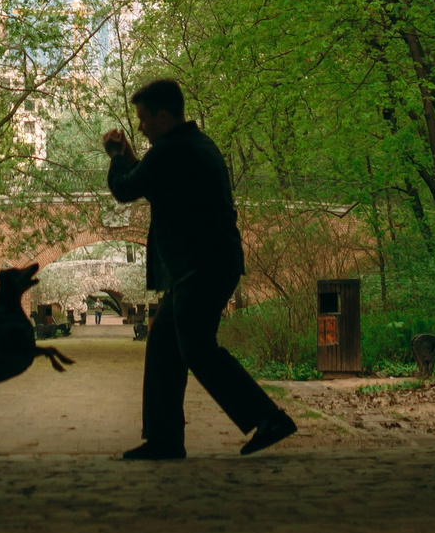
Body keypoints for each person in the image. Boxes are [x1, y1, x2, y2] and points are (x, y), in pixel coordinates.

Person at [103, 78, 298, 459]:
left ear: (163, 115)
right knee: (164, 347)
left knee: (196, 348)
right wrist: (130, 155)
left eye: (143, 119)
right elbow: (151, 181)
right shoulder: (192, 145)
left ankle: (268, 418)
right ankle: (164, 439)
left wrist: (114, 155)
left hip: (201, 267)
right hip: (207, 265)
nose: (139, 127)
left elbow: (126, 189)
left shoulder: (172, 150)